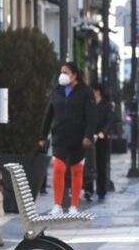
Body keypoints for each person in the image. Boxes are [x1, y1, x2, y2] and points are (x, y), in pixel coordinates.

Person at [39, 62, 96, 215]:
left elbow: (91, 116)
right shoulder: (56, 91)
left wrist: (88, 136)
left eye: (66, 72)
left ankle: (74, 206)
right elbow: (48, 114)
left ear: (74, 75)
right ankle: (57, 205)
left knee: (77, 171)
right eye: (61, 72)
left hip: (78, 138)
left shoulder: (86, 91)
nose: (62, 75)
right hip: (59, 136)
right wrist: (43, 136)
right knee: (59, 168)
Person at [83, 82, 114, 203]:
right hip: (89, 138)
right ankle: (88, 189)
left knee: (101, 165)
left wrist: (103, 132)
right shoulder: (88, 105)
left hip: (101, 139)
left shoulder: (106, 106)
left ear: (98, 92)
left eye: (94, 91)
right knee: (88, 165)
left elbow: (110, 121)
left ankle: (101, 191)